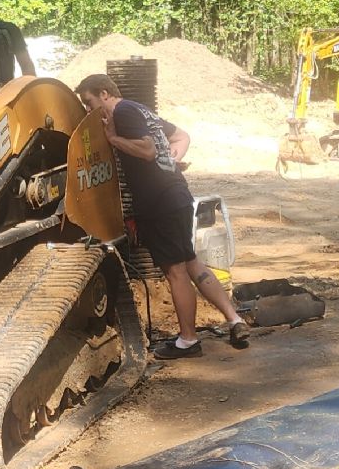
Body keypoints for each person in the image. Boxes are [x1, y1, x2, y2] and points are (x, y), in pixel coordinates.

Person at [75, 73, 249, 358]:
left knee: (175, 271)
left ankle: (189, 340)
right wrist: (173, 159)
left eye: (89, 102)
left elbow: (146, 150)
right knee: (192, 262)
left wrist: (113, 139)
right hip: (176, 195)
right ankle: (235, 319)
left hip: (161, 203)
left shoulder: (124, 111)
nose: (88, 110)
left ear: (105, 93)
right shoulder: (140, 109)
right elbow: (181, 136)